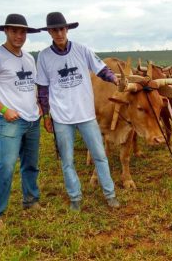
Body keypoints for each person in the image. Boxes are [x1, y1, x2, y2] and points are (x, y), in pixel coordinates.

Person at [36, 12, 120, 211]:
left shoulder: (82, 50)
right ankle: (75, 197)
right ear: (49, 32)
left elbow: (101, 69)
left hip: (86, 115)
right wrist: (46, 116)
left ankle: (110, 194)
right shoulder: (44, 57)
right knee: (67, 160)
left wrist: (114, 79)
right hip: (61, 118)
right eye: (54, 30)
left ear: (67, 29)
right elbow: (42, 90)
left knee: (100, 155)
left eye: (62, 29)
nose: (59, 33)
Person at [0, 14, 43, 232]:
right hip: (10, 121)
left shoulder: (29, 58)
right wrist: (3, 110)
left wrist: (38, 104)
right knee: (6, 165)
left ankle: (30, 200)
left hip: (32, 119)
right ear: (5, 31)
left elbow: (32, 85)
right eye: (14, 31)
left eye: (22, 32)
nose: (19, 36)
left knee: (31, 164)